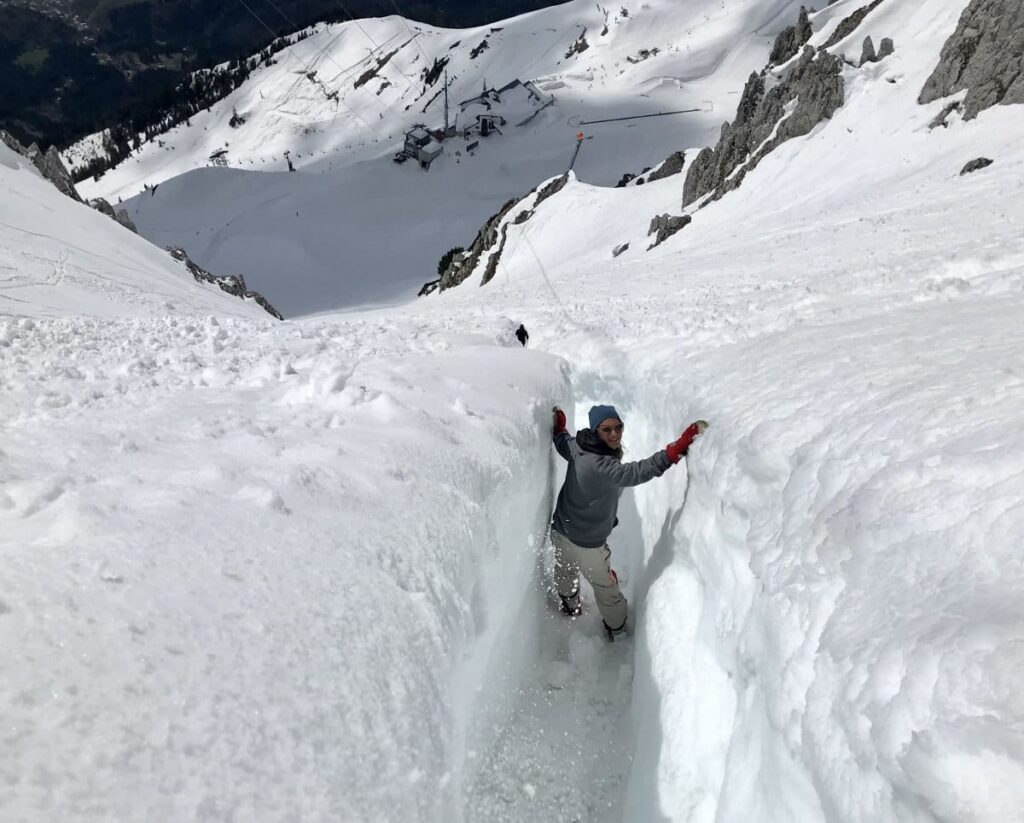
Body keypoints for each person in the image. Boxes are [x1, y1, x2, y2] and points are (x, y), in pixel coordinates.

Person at [550, 404, 707, 640]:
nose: (614, 434)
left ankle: (570, 605)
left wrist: (559, 429)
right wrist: (674, 451)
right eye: (606, 430)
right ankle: (617, 628)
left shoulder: (577, 446)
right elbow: (639, 471)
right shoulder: (605, 466)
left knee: (565, 571)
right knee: (606, 590)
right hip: (589, 546)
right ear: (595, 431)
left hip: (561, 532)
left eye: (618, 427)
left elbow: (562, 441)